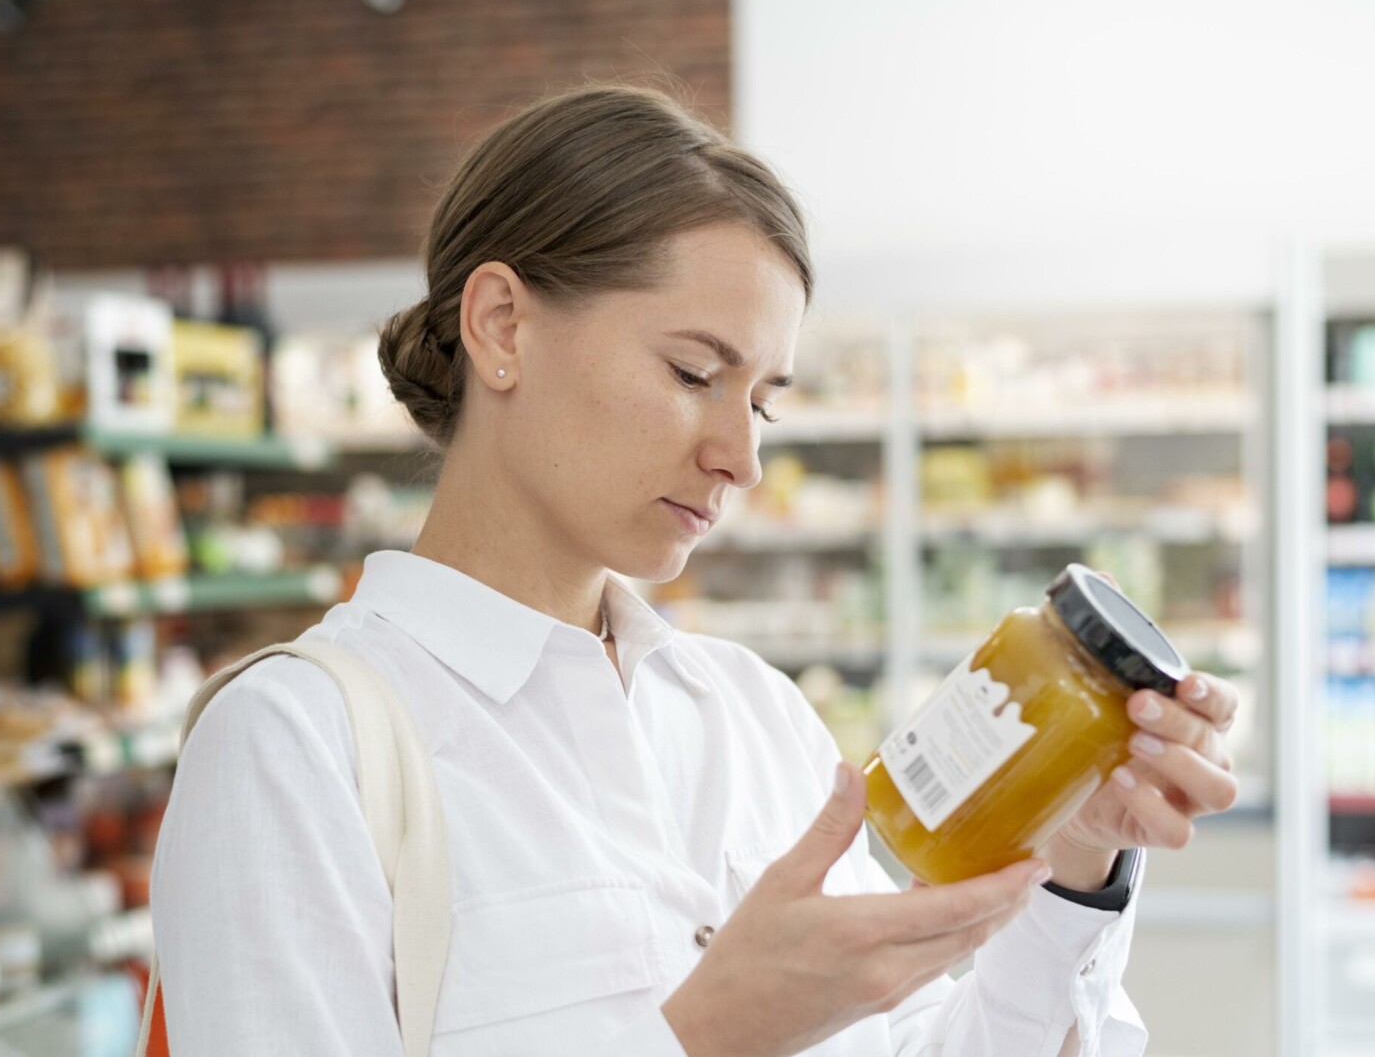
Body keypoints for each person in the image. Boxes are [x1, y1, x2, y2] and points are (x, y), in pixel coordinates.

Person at [150, 83, 1239, 1056]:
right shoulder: (298, 748)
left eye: (763, 399)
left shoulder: (754, 720)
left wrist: (1076, 866)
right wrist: (707, 1039)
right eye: (693, 372)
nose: (745, 454)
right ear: (501, 326)